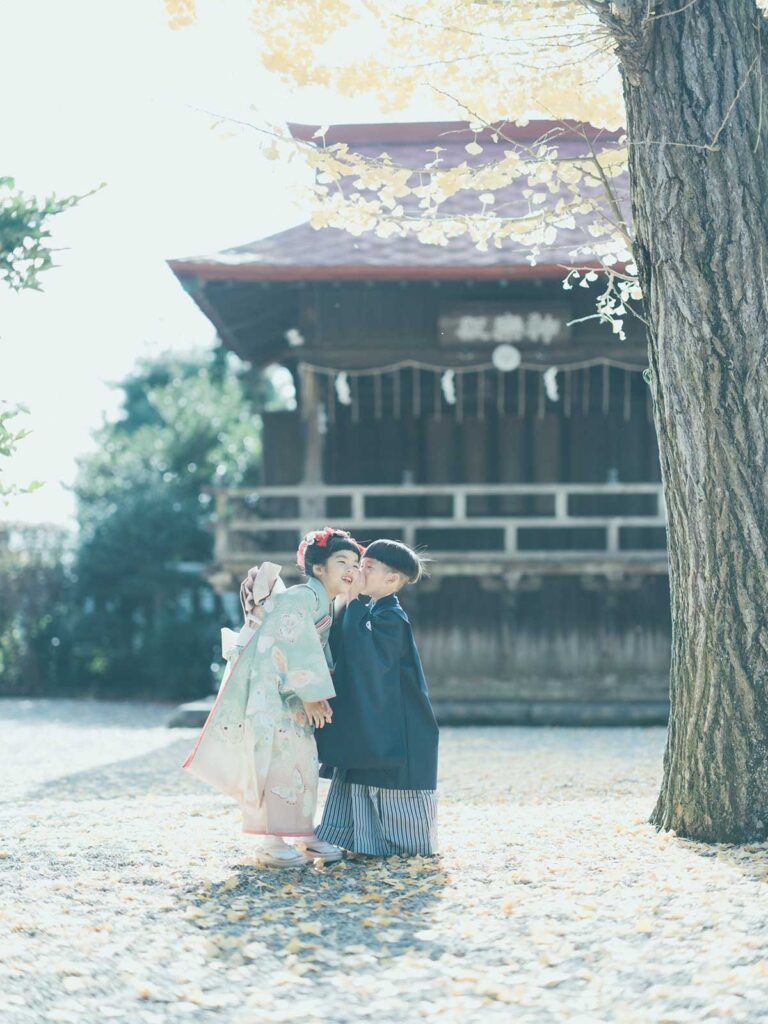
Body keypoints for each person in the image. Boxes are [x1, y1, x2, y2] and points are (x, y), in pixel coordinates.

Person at [182, 527, 363, 868]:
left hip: (288, 695)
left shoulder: (320, 600)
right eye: (342, 561)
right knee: (272, 758)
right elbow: (292, 644)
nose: (351, 569)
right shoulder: (301, 598)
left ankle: (302, 831)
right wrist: (311, 694)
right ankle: (271, 839)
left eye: (355, 562)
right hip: (270, 693)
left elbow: (312, 646)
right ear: (318, 568)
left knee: (302, 758)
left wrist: (312, 694)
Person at [314, 539, 439, 857]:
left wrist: (353, 600)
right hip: (376, 716)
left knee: (388, 777)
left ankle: (399, 844)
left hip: (399, 721)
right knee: (360, 767)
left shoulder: (392, 618)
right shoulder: (369, 612)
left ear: (392, 579)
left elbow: (367, 660)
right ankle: (356, 839)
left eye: (367, 567)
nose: (357, 571)